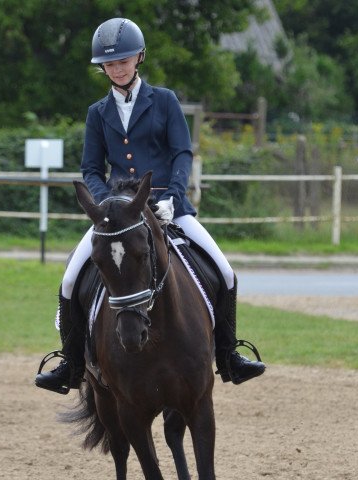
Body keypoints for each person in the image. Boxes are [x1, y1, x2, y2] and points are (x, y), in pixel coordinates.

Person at [35, 17, 265, 394]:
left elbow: (182, 153)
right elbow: (91, 169)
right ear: (103, 68)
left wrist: (173, 197)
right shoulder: (97, 113)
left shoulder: (165, 100)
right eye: (110, 64)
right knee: (69, 281)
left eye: (123, 60)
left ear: (139, 57)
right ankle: (71, 364)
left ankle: (228, 355)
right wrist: (108, 204)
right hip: (118, 216)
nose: (118, 68)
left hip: (167, 205)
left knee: (225, 273)